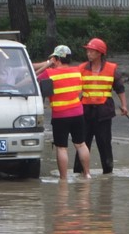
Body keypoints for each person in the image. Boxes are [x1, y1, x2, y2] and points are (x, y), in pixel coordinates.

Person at [74, 38, 128, 175]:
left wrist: (124, 105)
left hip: (103, 112)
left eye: (91, 51)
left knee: (104, 144)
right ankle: (78, 173)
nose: (88, 53)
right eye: (88, 51)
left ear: (99, 53)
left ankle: (108, 173)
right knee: (82, 143)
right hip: (85, 111)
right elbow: (74, 87)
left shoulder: (111, 69)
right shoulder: (81, 68)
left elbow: (119, 88)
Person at [38, 45, 91, 179]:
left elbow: (33, 78)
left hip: (60, 115)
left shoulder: (49, 73)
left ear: (56, 59)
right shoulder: (77, 71)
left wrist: (47, 65)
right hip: (78, 113)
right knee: (81, 144)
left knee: (61, 148)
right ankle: (87, 174)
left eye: (53, 59)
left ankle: (63, 179)